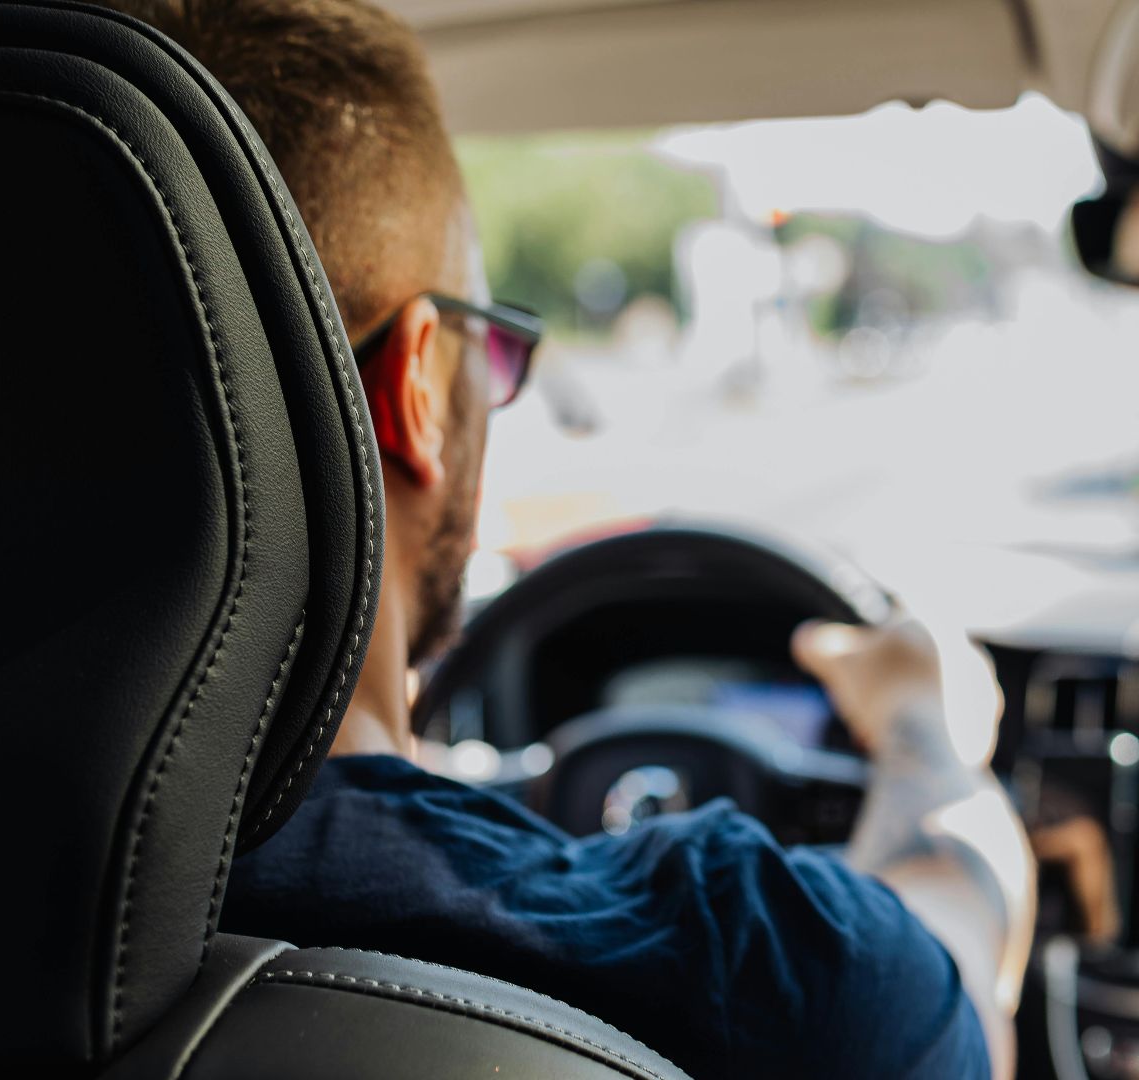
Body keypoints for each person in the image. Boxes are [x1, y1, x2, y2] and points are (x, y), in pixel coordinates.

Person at [93, 2, 1036, 1077]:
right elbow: (961, 951)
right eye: (489, 355)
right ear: (418, 386)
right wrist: (927, 736)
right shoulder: (753, 965)